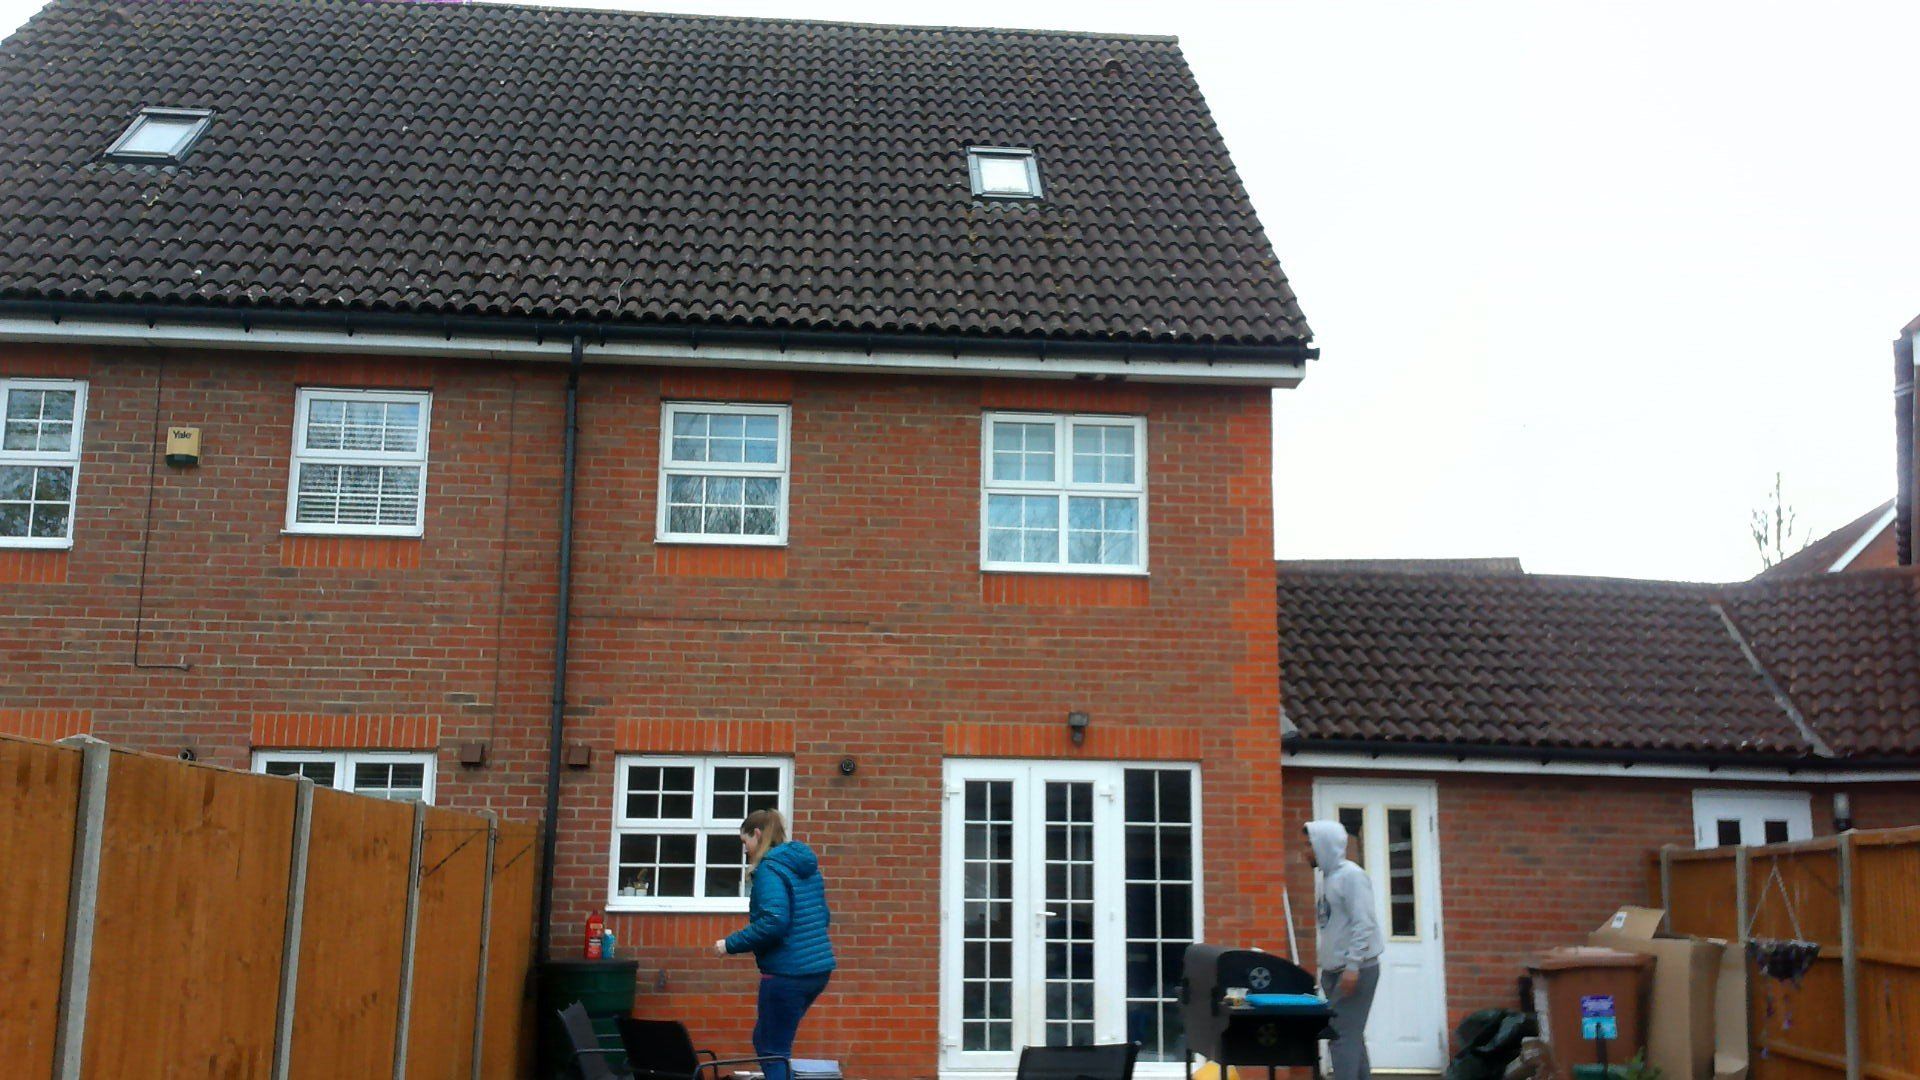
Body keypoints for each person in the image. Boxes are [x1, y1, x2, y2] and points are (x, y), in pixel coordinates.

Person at [713, 809, 835, 1080]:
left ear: (757, 835)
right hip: (817, 971)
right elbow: (823, 916)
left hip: (787, 974)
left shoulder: (769, 869)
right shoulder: (805, 868)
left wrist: (729, 944)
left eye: (745, 843)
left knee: (771, 1048)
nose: (745, 850)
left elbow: (774, 922)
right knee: (774, 1044)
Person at [1305, 820, 1385, 1080]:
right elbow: (1331, 928)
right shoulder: (1326, 879)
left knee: (1341, 1037)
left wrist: (1352, 967)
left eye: (1310, 844)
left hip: (1356, 970)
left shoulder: (1351, 876)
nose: (1305, 850)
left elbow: (1364, 923)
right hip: (1334, 971)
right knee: (1351, 1036)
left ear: (1323, 846)